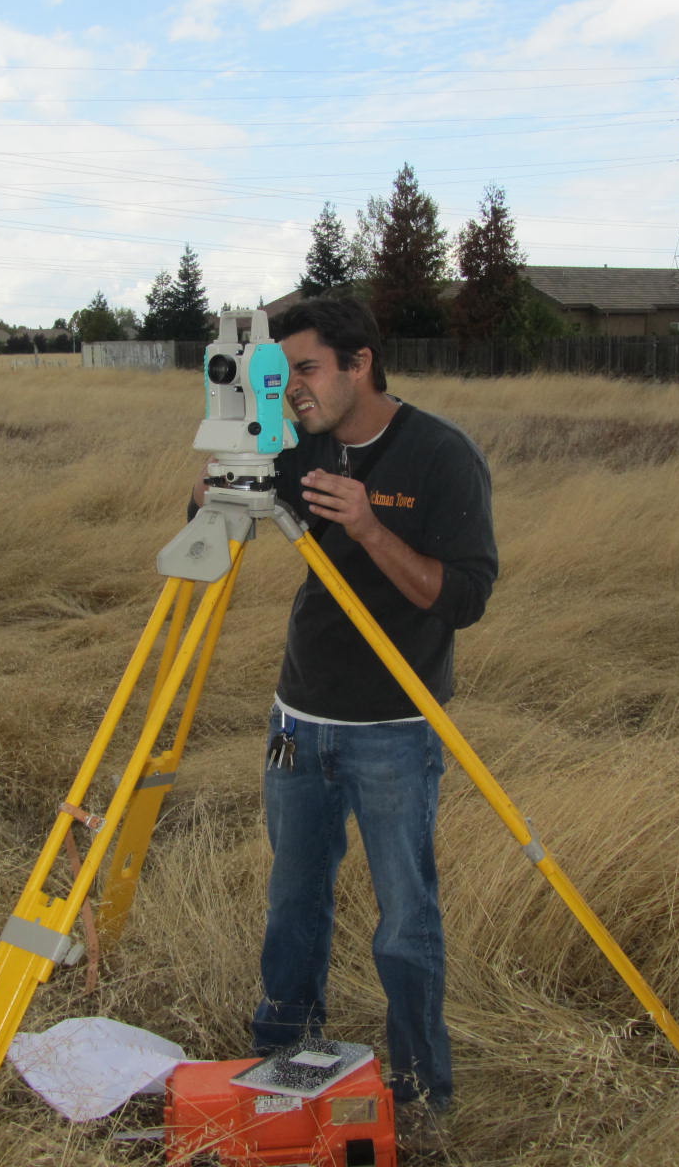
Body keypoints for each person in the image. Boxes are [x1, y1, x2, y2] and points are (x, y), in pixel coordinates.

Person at [201, 297, 498, 1142]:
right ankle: (281, 1061)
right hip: (299, 719)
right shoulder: (296, 442)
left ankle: (419, 1092)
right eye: (280, 371)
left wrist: (368, 526)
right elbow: (210, 521)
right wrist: (227, 436)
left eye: (305, 370)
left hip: (396, 726)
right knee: (294, 899)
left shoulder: (440, 456)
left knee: (406, 917)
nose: (291, 389)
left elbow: (465, 599)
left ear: (360, 363)